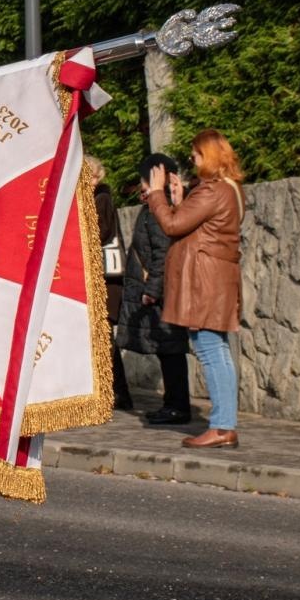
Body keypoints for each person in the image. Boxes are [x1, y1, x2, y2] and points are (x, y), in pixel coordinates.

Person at [144, 129, 246, 449]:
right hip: (215, 278)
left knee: (210, 350)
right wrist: (179, 200)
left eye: (196, 155)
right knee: (217, 350)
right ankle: (224, 424)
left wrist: (157, 194)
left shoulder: (212, 191)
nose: (193, 159)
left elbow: (173, 226)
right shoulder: (228, 189)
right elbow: (189, 223)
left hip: (205, 281)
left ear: (209, 156)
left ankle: (222, 426)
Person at [117, 154, 193, 424]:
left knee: (170, 349)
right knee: (166, 349)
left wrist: (152, 289)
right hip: (161, 292)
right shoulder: (152, 208)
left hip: (162, 294)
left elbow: (163, 253)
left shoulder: (157, 213)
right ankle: (173, 404)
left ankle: (177, 405)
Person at [88, 157, 130, 410]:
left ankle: (116, 392)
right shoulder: (99, 198)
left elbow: (99, 232)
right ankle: (114, 391)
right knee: (103, 337)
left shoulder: (101, 198)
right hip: (105, 279)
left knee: (103, 337)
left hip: (107, 278)